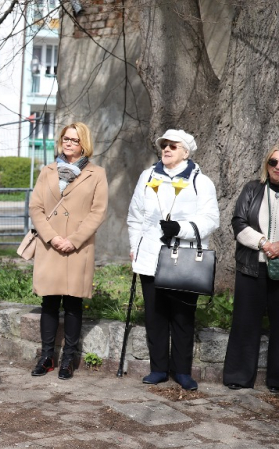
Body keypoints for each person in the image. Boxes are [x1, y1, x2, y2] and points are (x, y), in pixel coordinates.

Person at [127, 129, 219, 391]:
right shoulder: (147, 176)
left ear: (186, 152)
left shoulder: (201, 182)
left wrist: (181, 228)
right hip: (150, 257)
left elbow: (211, 219)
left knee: (182, 316)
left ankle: (182, 371)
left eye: (173, 146)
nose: (166, 149)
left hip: (184, 259)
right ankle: (157, 369)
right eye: (164, 145)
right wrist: (135, 246)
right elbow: (135, 217)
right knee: (155, 315)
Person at [29, 122, 109, 381]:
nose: (69, 143)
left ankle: (68, 360)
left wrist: (73, 240)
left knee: (74, 303)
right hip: (49, 246)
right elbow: (36, 208)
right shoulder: (47, 171)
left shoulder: (97, 174)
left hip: (78, 247)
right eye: (65, 138)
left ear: (83, 143)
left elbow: (98, 211)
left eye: (74, 140)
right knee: (49, 303)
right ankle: (47, 356)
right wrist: (52, 237)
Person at [223, 142, 279, 393]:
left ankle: (277, 381)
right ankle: (238, 376)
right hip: (252, 267)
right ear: (266, 165)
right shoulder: (252, 189)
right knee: (245, 322)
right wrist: (264, 243)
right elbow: (238, 223)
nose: (277, 167)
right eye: (273, 162)